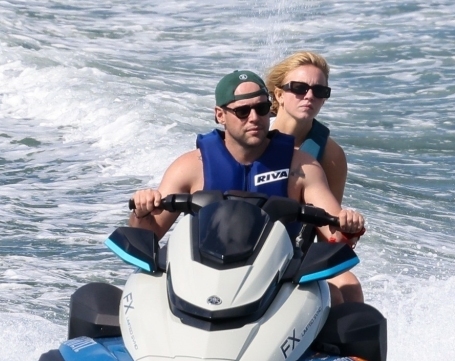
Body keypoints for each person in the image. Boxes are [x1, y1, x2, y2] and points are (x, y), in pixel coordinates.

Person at [130, 70, 365, 304]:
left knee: (336, 296)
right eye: (242, 111)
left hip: (279, 279)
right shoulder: (190, 167)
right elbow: (147, 234)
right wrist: (142, 211)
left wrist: (348, 226)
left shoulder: (302, 167)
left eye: (261, 109)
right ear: (220, 115)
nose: (254, 118)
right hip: (201, 279)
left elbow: (335, 236)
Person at [266, 51, 363, 303]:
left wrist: (346, 228)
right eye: (299, 88)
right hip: (255, 242)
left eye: (320, 91)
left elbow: (328, 234)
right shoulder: (256, 136)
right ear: (279, 95)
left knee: (349, 287)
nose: (309, 96)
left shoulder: (330, 155)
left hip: (298, 250)